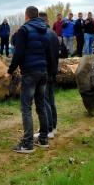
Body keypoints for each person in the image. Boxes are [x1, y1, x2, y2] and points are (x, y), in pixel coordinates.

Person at [7, 6, 52, 154]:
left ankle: (27, 144)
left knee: (26, 107)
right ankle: (44, 139)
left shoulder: (24, 30)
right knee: (41, 105)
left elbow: (18, 53)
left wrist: (10, 70)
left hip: (30, 73)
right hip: (43, 72)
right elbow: (47, 52)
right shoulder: (45, 30)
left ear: (26, 16)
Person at [34, 12, 59, 140]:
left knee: (45, 101)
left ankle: (49, 128)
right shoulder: (54, 34)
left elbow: (47, 55)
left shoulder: (44, 34)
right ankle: (53, 126)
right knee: (51, 99)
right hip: (53, 70)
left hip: (46, 71)